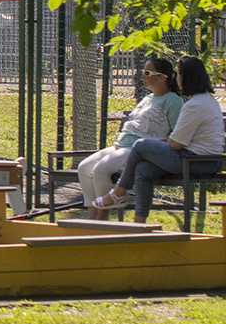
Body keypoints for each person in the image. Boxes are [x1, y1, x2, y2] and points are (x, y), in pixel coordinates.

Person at [90, 56, 225, 222]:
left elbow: (176, 143)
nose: (177, 78)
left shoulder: (194, 105)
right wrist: (160, 144)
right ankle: (139, 225)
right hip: (203, 160)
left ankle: (118, 193)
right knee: (143, 170)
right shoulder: (206, 99)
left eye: (179, 74)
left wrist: (156, 144)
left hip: (195, 161)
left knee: (140, 145)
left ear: (188, 76)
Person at [76, 58, 181, 220]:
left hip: (137, 150)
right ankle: (92, 217)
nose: (142, 76)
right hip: (120, 146)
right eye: (142, 72)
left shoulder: (173, 100)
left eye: (147, 73)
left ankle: (102, 220)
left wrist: (158, 145)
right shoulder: (147, 98)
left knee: (101, 169)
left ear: (162, 77)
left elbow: (178, 132)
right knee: (84, 167)